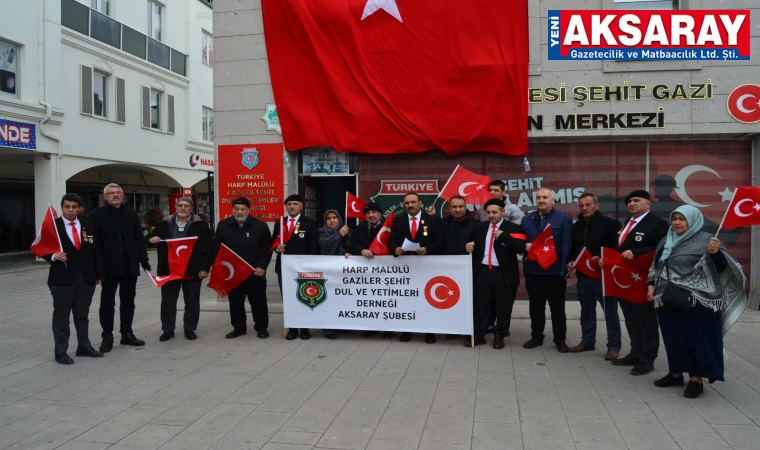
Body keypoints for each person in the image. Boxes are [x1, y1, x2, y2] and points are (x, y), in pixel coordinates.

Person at [647, 205, 746, 398]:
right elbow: (656, 264)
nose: (677, 222)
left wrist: (715, 253)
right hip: (668, 298)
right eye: (674, 218)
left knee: (697, 341)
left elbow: (721, 268)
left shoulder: (707, 241)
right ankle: (675, 373)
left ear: (693, 220)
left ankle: (696, 379)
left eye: (682, 219)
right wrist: (650, 285)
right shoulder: (666, 240)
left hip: (698, 301)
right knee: (673, 338)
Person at [608, 190, 669, 375]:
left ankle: (647, 359)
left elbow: (661, 248)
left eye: (637, 200)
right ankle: (635, 353)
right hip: (625, 282)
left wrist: (637, 252)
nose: (632, 204)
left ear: (648, 203)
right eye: (629, 201)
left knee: (647, 321)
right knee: (631, 320)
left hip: (644, 280)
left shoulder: (657, 224)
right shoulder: (627, 223)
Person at [89, 183, 150, 352]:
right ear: (105, 196)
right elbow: (94, 247)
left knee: (128, 301)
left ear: (122, 196)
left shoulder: (131, 214)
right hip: (108, 267)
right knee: (107, 302)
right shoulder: (96, 216)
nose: (115, 195)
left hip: (130, 265)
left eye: (118, 193)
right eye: (111, 193)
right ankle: (107, 336)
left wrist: (144, 261)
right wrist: (97, 270)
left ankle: (126, 333)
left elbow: (139, 239)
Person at [44, 194, 104, 364]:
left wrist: (99, 274)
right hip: (61, 279)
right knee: (62, 317)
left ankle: (84, 346)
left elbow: (96, 251)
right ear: (62, 207)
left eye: (74, 207)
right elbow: (41, 247)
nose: (70, 210)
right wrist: (53, 256)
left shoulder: (87, 225)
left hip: (86, 278)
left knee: (82, 315)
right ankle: (61, 351)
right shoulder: (53, 226)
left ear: (79, 208)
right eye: (67, 207)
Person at [203, 197, 272, 339]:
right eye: (236, 209)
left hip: (254, 273)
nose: (239, 212)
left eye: (242, 209)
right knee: (235, 302)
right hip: (233, 273)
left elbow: (267, 249)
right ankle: (239, 328)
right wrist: (207, 268)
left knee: (258, 302)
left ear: (248, 210)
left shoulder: (260, 226)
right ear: (232, 210)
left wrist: (261, 266)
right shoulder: (223, 225)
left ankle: (261, 327)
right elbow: (215, 249)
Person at [147, 197, 212, 341]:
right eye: (180, 205)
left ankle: (190, 329)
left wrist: (205, 268)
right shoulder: (163, 224)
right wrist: (152, 239)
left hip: (192, 270)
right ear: (175, 207)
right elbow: (150, 237)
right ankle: (167, 329)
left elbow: (210, 249)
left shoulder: (201, 225)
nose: (183, 208)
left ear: (191, 209)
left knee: (192, 301)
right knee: (168, 301)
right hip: (169, 269)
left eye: (186, 206)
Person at [567, 193, 623, 360]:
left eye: (588, 204)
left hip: (604, 277)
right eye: (582, 205)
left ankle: (613, 346)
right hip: (583, 277)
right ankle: (587, 341)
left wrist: (603, 258)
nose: (585, 208)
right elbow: (574, 249)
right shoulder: (576, 227)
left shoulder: (611, 225)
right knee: (587, 311)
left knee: (610, 313)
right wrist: (571, 261)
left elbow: (617, 251)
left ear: (597, 206)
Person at [465, 198, 526, 349]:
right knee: (481, 305)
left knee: (503, 306)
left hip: (503, 273)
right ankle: (479, 333)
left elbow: (520, 248)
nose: (491, 215)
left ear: (503, 212)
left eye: (495, 212)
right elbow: (471, 243)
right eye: (489, 212)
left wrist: (505, 236)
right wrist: (469, 246)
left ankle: (500, 334)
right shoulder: (480, 227)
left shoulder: (512, 227)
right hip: (483, 271)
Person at [520, 188, 572, 353]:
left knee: (557, 308)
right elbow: (522, 242)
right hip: (533, 271)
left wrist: (563, 270)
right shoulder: (527, 219)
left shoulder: (563, 219)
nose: (541, 200)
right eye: (538, 197)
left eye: (545, 197)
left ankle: (560, 340)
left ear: (553, 200)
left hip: (554, 272)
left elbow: (566, 244)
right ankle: (536, 337)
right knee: (535, 306)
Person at [389, 192, 445, 344]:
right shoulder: (398, 221)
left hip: (426, 267)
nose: (410, 205)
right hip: (406, 268)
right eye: (407, 203)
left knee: (427, 299)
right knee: (408, 300)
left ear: (420, 203)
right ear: (403, 205)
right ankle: (407, 330)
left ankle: (429, 331)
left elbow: (441, 241)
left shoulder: (432, 220)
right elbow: (392, 239)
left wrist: (428, 249)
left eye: (413, 202)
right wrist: (396, 249)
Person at [273, 194, 319, 340]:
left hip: (302, 268)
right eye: (289, 204)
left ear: (301, 206)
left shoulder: (310, 223)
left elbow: (314, 247)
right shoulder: (280, 222)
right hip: (284, 268)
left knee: (303, 297)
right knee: (288, 299)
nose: (292, 206)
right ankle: (292, 328)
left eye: (295, 204)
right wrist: (276, 249)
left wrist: (308, 265)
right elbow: (273, 242)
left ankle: (304, 328)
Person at [351, 202, 394, 339]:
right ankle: (372, 327)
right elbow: (352, 244)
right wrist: (361, 250)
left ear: (380, 214)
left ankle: (388, 328)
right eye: (368, 213)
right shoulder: (360, 228)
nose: (371, 215)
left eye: (374, 212)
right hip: (367, 273)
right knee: (370, 300)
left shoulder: (389, 227)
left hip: (386, 270)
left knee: (386, 300)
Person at [442, 195, 479, 340]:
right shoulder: (442, 223)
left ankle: (470, 331)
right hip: (448, 271)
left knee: (470, 302)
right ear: (449, 209)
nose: (457, 210)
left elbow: (482, 246)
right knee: (450, 301)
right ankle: (453, 329)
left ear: (466, 207)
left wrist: (474, 246)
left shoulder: (476, 225)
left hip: (469, 271)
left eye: (461, 206)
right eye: (454, 207)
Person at [318, 209, 352, 339]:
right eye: (329, 218)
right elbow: (325, 248)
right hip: (328, 272)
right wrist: (339, 235)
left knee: (342, 299)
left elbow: (352, 247)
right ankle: (328, 328)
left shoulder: (348, 231)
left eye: (335, 218)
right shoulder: (321, 232)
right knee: (328, 300)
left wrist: (350, 253)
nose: (332, 221)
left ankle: (341, 324)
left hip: (343, 273)